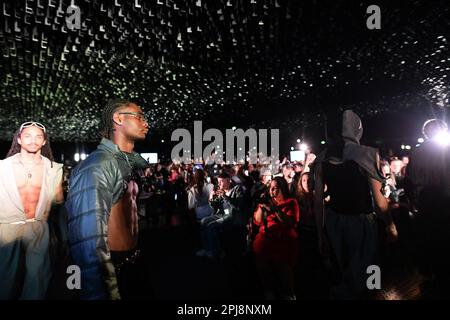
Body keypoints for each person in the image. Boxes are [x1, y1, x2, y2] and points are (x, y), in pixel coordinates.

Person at [66, 99, 150, 300]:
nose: (146, 123)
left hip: (132, 260)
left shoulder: (127, 163)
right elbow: (86, 240)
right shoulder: (98, 166)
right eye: (139, 116)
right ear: (118, 118)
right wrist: (97, 291)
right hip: (111, 267)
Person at [313, 110, 398, 299]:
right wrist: (391, 225)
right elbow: (379, 203)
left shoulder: (320, 160)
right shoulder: (367, 154)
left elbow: (318, 204)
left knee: (345, 277)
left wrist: (321, 236)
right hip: (363, 225)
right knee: (370, 275)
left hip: (335, 226)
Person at [0, 122, 63, 299]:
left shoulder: (54, 168)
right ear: (19, 139)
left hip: (38, 228)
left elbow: (59, 203)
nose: (33, 140)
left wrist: (61, 235)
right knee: (5, 281)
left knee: (37, 280)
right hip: (6, 230)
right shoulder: (2, 168)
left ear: (44, 142)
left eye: (38, 136)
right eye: (28, 135)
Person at [405, 119, 450, 298]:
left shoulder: (417, 153)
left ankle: (437, 278)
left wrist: (414, 201)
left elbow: (409, 180)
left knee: (432, 242)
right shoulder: (446, 150)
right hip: (443, 201)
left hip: (426, 202)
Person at [253, 177, 300, 300]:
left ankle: (288, 294)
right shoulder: (267, 201)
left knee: (283, 271)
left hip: (282, 240)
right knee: (264, 269)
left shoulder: (291, 202)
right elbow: (257, 221)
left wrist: (276, 210)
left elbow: (290, 222)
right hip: (265, 239)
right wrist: (262, 207)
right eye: (271, 188)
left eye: (275, 188)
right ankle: (269, 292)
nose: (272, 191)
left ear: (282, 189)